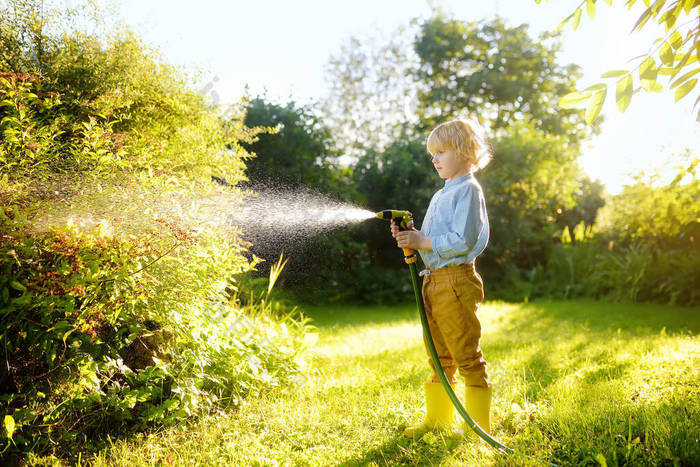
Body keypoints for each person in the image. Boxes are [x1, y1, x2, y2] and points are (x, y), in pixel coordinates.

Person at [391, 118, 493, 439]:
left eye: (441, 151)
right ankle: (438, 420)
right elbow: (432, 240)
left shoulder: (468, 191)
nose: (434, 159)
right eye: (432, 154)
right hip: (433, 280)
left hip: (456, 281)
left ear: (465, 152)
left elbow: (461, 240)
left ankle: (477, 428)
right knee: (437, 352)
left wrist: (422, 242)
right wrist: (413, 237)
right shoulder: (442, 194)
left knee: (465, 352)